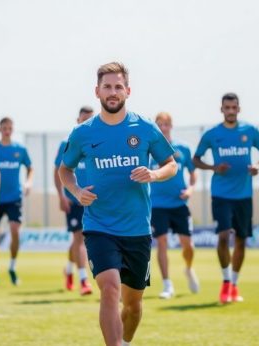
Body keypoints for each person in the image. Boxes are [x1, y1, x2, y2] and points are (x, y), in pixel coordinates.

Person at [59, 62, 177, 346]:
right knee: (110, 289)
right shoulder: (82, 133)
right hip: (99, 225)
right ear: (97, 91)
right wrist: (75, 191)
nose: (113, 92)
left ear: (128, 91)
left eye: (118, 87)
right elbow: (65, 170)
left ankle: (124, 341)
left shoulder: (145, 127)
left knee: (133, 305)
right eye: (107, 87)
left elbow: (171, 165)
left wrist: (154, 174)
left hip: (136, 229)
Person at [193, 93, 259, 304]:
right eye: (226, 107)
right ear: (221, 109)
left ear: (238, 109)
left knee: (242, 241)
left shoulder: (250, 130)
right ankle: (226, 282)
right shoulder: (212, 134)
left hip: (244, 195)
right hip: (221, 194)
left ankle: (234, 284)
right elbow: (196, 159)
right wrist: (213, 167)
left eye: (233, 107)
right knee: (223, 235)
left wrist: (258, 166)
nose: (230, 111)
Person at [150, 112, 199, 299]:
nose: (162, 127)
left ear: (171, 126)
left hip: (179, 203)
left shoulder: (182, 148)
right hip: (157, 204)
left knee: (188, 245)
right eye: (159, 124)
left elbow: (193, 174)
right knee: (161, 242)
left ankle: (188, 268)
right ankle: (167, 285)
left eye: (166, 124)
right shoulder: (149, 149)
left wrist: (190, 190)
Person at [0, 117, 33, 286]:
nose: (7, 130)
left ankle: (12, 268)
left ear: (12, 129)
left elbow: (30, 167)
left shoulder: (20, 149)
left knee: (15, 231)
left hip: (15, 197)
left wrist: (28, 182)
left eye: (9, 128)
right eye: (4, 127)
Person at [54, 106, 94, 295]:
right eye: (83, 120)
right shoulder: (67, 143)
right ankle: (84, 280)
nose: (86, 123)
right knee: (80, 239)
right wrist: (61, 195)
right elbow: (59, 171)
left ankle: (69, 270)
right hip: (74, 200)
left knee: (79, 240)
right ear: (77, 120)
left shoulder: (99, 143)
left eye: (90, 120)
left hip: (94, 200)